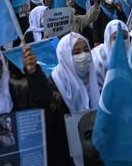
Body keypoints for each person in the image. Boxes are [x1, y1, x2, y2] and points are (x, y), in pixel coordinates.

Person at [46, 32, 100, 166]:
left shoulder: (96, 79)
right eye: (76, 52)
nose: (84, 55)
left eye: (86, 50)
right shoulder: (54, 84)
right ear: (64, 56)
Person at [92, 19, 130, 92]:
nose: (120, 41)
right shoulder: (99, 59)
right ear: (108, 39)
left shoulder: (131, 56)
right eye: (115, 38)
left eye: (124, 37)